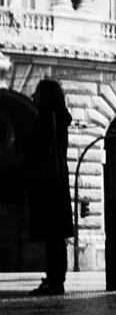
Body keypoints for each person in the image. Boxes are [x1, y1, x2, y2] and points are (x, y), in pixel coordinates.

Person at [22, 79, 73, 296]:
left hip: (48, 181)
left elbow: (32, 143)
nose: (33, 95)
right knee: (57, 233)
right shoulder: (60, 118)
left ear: (45, 96)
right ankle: (56, 279)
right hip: (58, 178)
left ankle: (53, 280)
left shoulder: (46, 116)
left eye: (37, 92)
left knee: (52, 231)